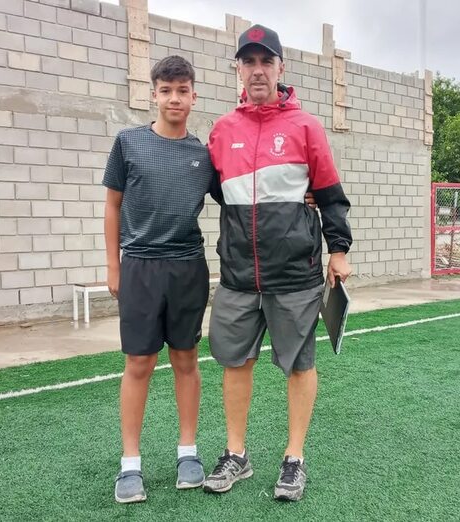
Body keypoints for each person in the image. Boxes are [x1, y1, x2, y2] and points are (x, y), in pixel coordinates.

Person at [202, 24, 353, 502]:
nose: (258, 70)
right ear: (239, 70)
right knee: (235, 362)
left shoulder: (306, 126)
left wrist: (339, 250)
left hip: (295, 274)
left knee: (300, 365)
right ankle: (237, 455)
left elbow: (329, 194)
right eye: (249, 62)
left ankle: (294, 459)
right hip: (239, 275)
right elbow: (214, 189)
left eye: (266, 61)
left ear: (281, 67)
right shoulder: (223, 130)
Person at [103, 55, 221, 503]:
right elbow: (112, 205)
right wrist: (114, 266)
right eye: (166, 90)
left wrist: (303, 194)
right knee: (139, 363)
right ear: (153, 94)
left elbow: (237, 196)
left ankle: (187, 453)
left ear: (193, 96)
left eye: (183, 90)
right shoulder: (128, 143)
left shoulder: (202, 154)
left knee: (187, 360)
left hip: (188, 267)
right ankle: (129, 465)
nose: (175, 98)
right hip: (139, 267)